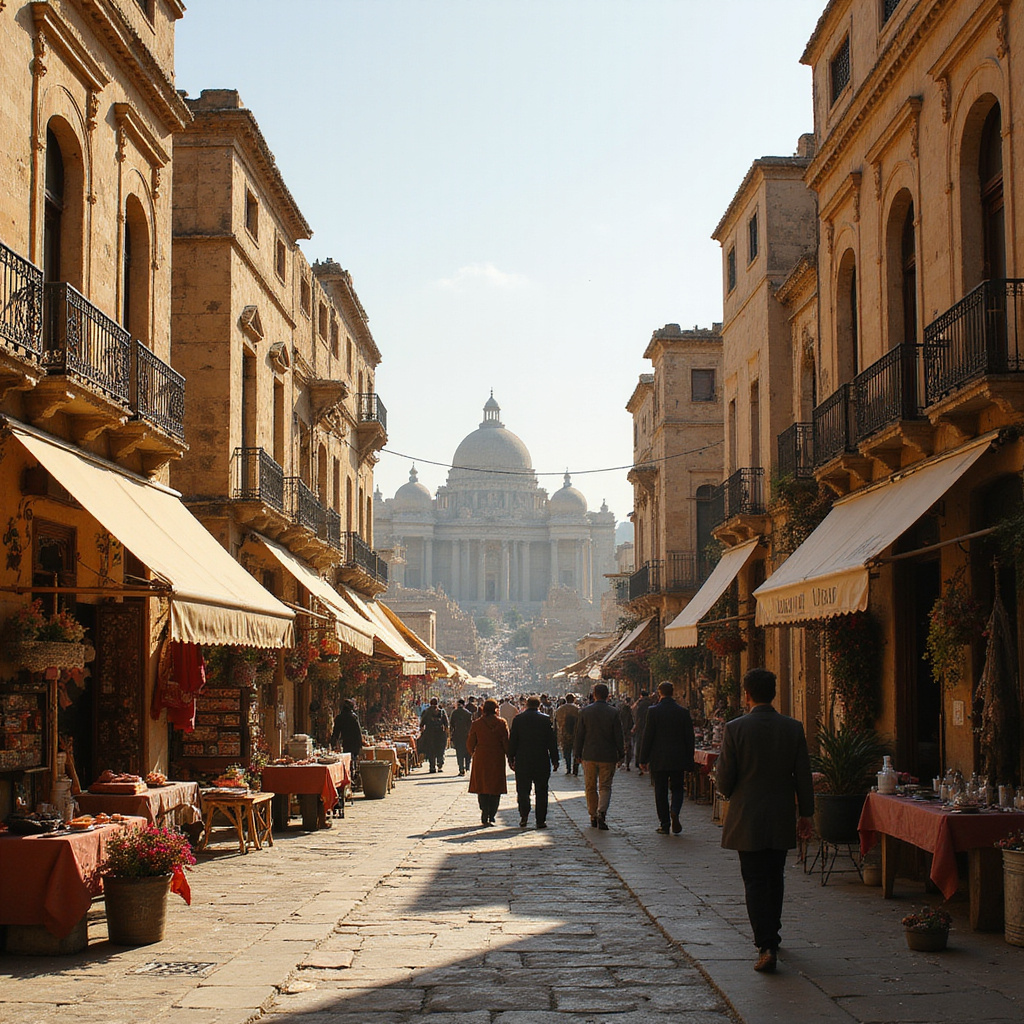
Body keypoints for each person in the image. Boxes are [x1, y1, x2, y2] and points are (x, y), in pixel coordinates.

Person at [715, 667, 814, 974]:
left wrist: (729, 790)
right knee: (775, 875)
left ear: (747, 695)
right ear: (774, 693)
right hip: (780, 812)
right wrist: (806, 813)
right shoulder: (793, 728)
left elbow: (724, 780)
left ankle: (766, 943)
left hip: (747, 816)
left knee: (755, 879)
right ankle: (773, 933)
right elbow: (803, 775)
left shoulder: (735, 728)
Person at [638, 681, 695, 835]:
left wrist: (643, 759)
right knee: (677, 788)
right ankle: (675, 810)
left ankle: (664, 823)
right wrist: (689, 759)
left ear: (659, 693)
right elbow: (689, 738)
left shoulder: (653, 711)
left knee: (660, 790)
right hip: (678, 757)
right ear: (673, 692)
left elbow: (648, 736)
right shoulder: (683, 712)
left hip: (659, 758)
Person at [573, 682, 624, 830]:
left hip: (589, 755)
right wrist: (621, 753)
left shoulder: (585, 712)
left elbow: (579, 735)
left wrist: (577, 753)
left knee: (590, 786)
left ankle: (592, 815)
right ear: (607, 695)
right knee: (605, 786)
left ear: (594, 695)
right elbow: (618, 736)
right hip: (608, 755)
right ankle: (601, 812)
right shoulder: (613, 712)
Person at [507, 695, 559, 828]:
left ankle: (524, 815)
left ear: (526, 705)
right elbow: (551, 741)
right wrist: (555, 759)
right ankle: (540, 820)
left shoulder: (518, 719)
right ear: (539, 706)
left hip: (523, 759)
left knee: (523, 790)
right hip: (541, 759)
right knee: (542, 791)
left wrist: (511, 757)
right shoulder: (545, 719)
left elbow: (513, 740)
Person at [467, 698, 510, 826]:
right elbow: (506, 741)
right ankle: (492, 813)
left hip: (481, 757)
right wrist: (509, 755)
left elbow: (470, 743)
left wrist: (473, 753)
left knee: (482, 785)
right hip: (497, 756)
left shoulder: (477, 724)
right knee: (495, 786)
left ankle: (484, 810)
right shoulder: (501, 723)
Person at [419, 697, 449, 773]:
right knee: (440, 750)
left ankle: (432, 767)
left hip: (430, 734)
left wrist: (422, 733)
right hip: (440, 734)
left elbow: (422, 724)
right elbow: (446, 724)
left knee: (431, 751)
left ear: (430, 703)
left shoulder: (426, 712)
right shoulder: (442, 712)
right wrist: (446, 734)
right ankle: (440, 765)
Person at [553, 693, 580, 775]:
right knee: (576, 751)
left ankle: (568, 768)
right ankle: (575, 768)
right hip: (576, 734)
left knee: (566, 752)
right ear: (573, 699)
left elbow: (555, 724)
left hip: (563, 734)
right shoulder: (578, 709)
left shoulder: (559, 710)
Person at [448, 698, 473, 776]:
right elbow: (471, 725)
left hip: (457, 735)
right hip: (466, 735)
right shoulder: (468, 713)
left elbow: (451, 725)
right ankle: (467, 766)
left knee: (459, 752)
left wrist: (451, 735)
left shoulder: (454, 713)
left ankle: (461, 768)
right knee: (467, 751)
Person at [632, 691, 654, 774]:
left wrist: (635, 726)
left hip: (641, 727)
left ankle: (640, 763)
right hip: (650, 726)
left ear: (641, 695)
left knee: (640, 745)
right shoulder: (651, 703)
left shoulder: (640, 704)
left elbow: (637, 715)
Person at [617, 698, 634, 771]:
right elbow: (630, 722)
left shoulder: (620, 710)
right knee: (628, 748)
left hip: (622, 732)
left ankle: (621, 762)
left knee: (622, 747)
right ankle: (626, 763)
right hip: (627, 732)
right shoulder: (628, 711)